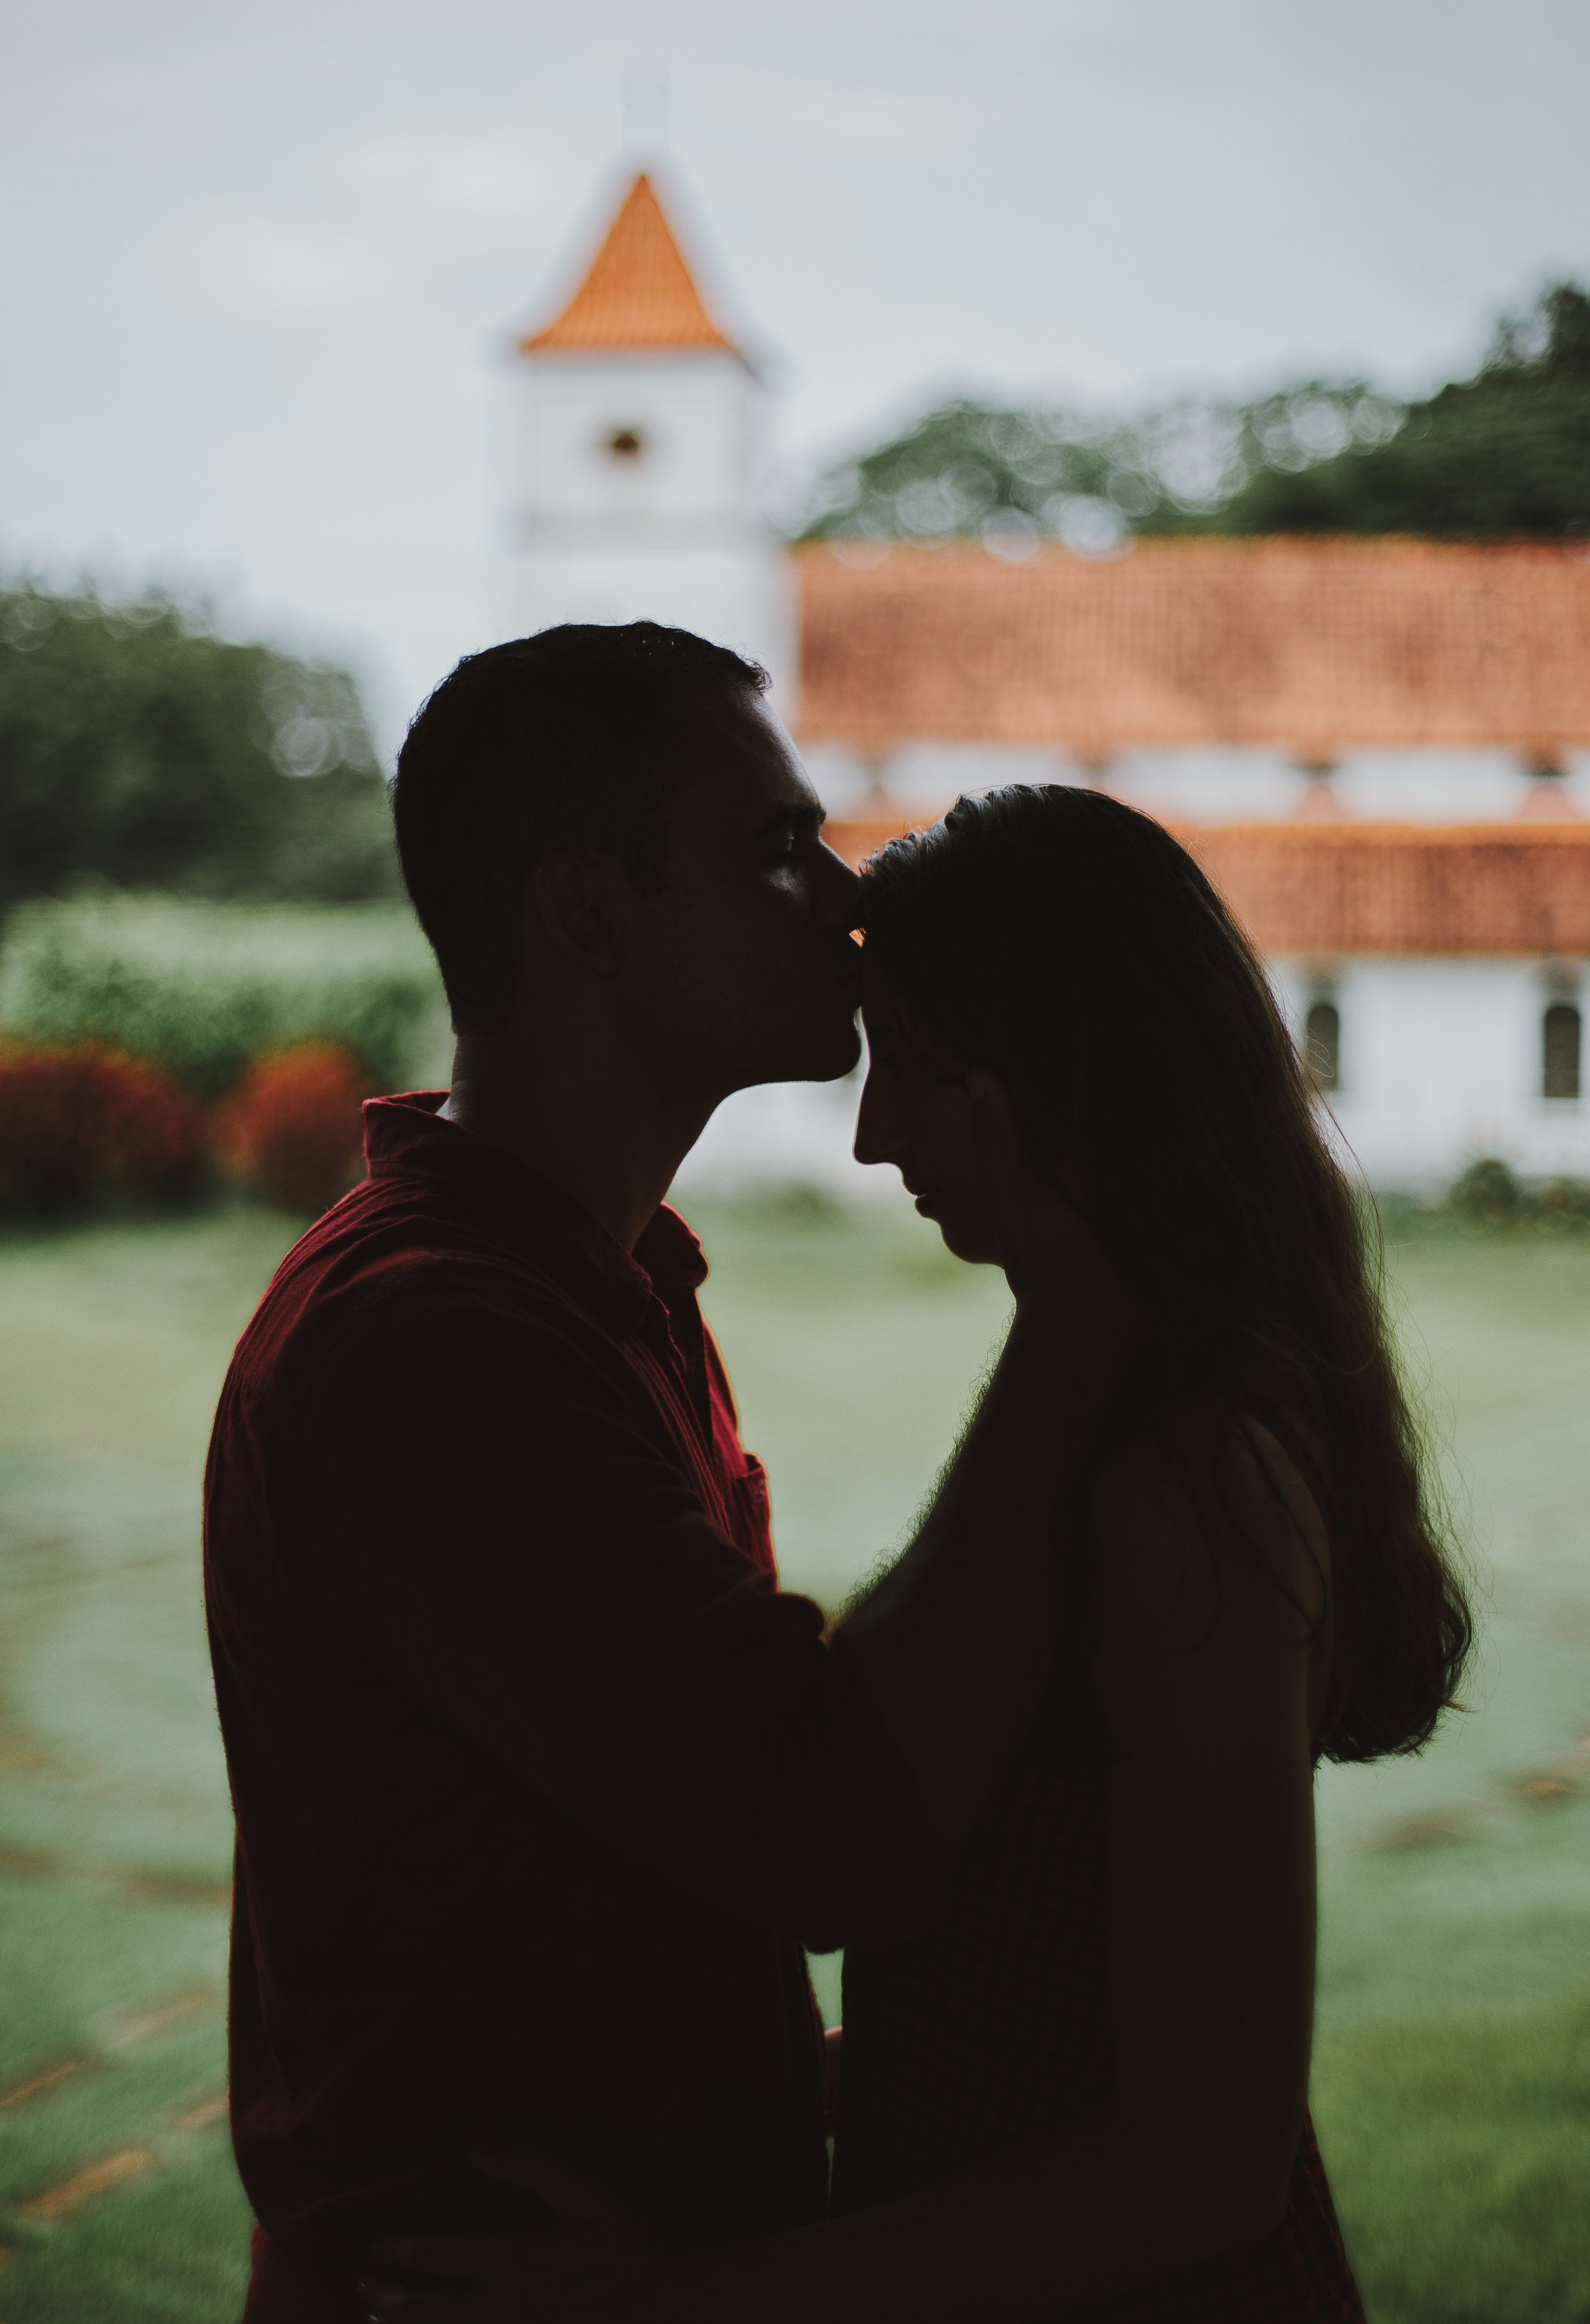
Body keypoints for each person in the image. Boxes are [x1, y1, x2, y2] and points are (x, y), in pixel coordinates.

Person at [362, 786, 1473, 2323]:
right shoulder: (1097, 1421)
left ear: (1058, 1087)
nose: (878, 1135)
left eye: (923, 1074)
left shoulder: (1186, 1479)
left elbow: (1199, 2154)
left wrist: (663, 2305)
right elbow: (1009, 2026)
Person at [204, 635, 1139, 2323]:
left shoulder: (590, 1283)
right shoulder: (437, 1347)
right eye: (775, 848)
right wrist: (1080, 1319)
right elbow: (828, 1832)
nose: (847, 895)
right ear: (589, 913)